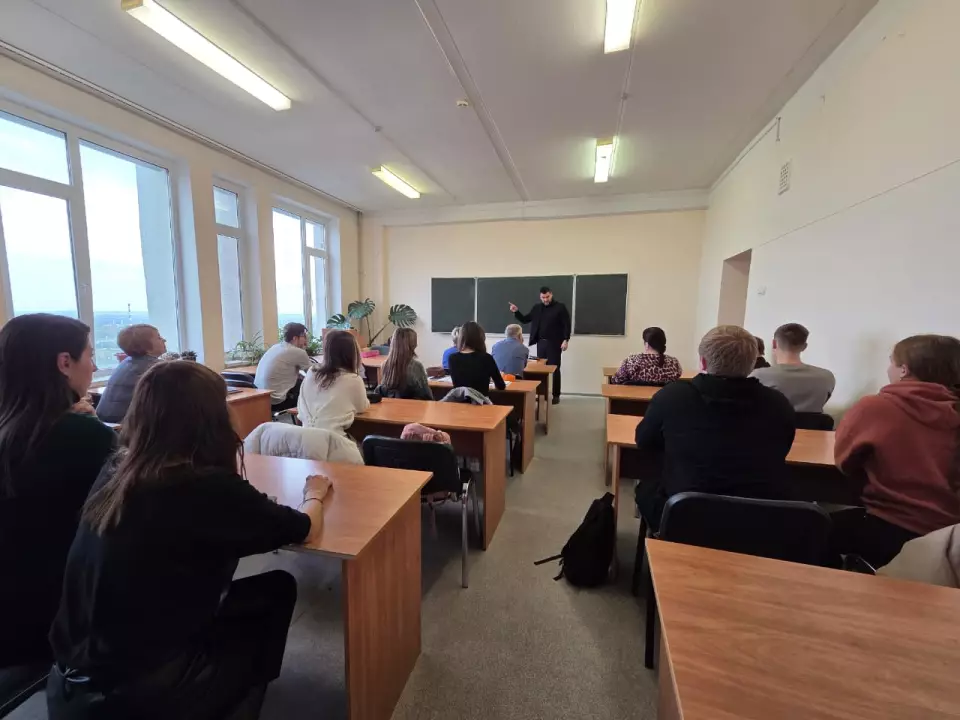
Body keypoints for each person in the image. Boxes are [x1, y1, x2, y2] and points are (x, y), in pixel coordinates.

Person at [47, 361, 330, 719]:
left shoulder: (117, 470)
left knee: (258, 590)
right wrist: (314, 493)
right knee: (278, 590)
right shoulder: (203, 486)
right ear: (211, 418)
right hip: (140, 690)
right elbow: (305, 527)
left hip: (70, 680)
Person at [0, 314, 116, 674]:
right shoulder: (84, 437)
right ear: (64, 363)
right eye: (90, 356)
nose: (93, 366)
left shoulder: (12, 431)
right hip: (62, 622)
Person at [634, 325, 796, 531]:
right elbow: (783, 447)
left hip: (686, 518)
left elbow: (644, 441)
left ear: (702, 362)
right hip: (759, 521)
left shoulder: (671, 396)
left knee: (646, 488)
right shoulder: (779, 404)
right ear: (753, 363)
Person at [834, 334, 960, 568]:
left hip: (888, 529)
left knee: (805, 529)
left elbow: (844, 463)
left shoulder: (875, 407)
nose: (887, 369)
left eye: (891, 361)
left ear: (904, 370)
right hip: (952, 543)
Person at [297, 330, 369, 435]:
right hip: (333, 439)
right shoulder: (353, 379)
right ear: (353, 353)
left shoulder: (311, 372)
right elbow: (362, 407)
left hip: (306, 438)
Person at [750, 323, 835, 412]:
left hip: (772, 421)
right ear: (804, 347)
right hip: (814, 422)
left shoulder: (758, 376)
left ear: (774, 344)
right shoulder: (827, 377)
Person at [510, 287, 570, 404]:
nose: (545, 299)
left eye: (547, 297)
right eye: (543, 297)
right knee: (540, 370)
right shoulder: (537, 308)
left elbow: (566, 324)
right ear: (540, 297)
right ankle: (542, 394)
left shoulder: (560, 307)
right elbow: (525, 319)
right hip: (541, 343)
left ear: (551, 294)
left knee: (555, 368)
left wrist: (566, 340)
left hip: (555, 343)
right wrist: (516, 311)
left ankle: (556, 395)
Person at [96, 324, 167, 423]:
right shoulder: (157, 368)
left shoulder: (125, 363)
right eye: (159, 337)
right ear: (145, 346)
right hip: (124, 426)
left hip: (105, 423)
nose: (164, 340)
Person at [254, 323, 312, 412]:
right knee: (311, 388)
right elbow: (313, 374)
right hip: (278, 400)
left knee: (301, 382)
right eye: (304, 336)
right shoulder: (298, 352)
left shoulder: (276, 347)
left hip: (261, 398)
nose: (306, 339)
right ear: (295, 338)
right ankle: (307, 419)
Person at [449, 321, 506, 397]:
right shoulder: (487, 358)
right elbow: (501, 386)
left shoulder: (452, 358)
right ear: (481, 338)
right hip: (481, 402)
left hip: (459, 402)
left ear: (461, 338)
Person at [611, 327, 682, 385]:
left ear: (647, 344)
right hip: (664, 398)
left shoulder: (631, 361)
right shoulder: (674, 363)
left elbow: (616, 380)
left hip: (635, 398)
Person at [376, 328, 433, 400]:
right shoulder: (416, 366)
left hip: (391, 405)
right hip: (414, 406)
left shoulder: (385, 365)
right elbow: (427, 395)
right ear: (412, 345)